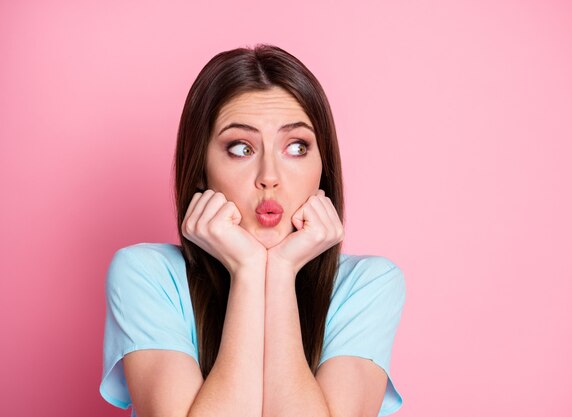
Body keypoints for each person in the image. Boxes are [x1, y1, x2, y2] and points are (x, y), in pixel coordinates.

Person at [99, 44, 406, 417]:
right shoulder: (146, 274)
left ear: (322, 167)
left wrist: (279, 272)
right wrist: (248, 270)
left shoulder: (368, 284)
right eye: (241, 148)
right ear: (200, 169)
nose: (269, 178)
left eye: (296, 147)